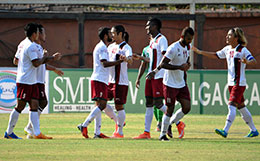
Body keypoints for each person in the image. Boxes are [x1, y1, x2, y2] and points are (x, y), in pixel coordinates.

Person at [192, 27, 259, 138]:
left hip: (239, 83)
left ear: (236, 38)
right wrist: (199, 52)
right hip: (231, 83)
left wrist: (247, 61)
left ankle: (225, 130)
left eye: (229, 35)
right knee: (241, 107)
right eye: (227, 35)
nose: (227, 37)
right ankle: (254, 130)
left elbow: (254, 61)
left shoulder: (243, 50)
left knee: (231, 105)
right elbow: (215, 55)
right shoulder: (227, 49)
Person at [4, 22, 61, 139]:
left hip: (31, 80)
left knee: (34, 105)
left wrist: (45, 59)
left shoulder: (30, 45)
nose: (41, 34)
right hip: (25, 80)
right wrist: (46, 58)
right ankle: (9, 132)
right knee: (20, 106)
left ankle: (36, 133)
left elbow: (18, 61)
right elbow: (35, 63)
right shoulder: (30, 46)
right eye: (39, 32)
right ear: (35, 34)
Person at [146, 26, 194, 141]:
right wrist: (155, 72)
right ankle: (162, 135)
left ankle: (171, 123)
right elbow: (163, 64)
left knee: (187, 107)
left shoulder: (188, 47)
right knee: (169, 109)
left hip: (181, 82)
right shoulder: (173, 48)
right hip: (170, 83)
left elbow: (186, 62)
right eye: (188, 39)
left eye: (191, 39)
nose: (189, 41)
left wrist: (187, 65)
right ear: (182, 37)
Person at [77, 27, 125, 139]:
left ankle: (97, 132)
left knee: (99, 105)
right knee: (102, 105)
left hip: (99, 79)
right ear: (105, 36)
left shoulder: (101, 46)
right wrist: (119, 62)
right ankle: (84, 125)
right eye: (109, 34)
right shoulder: (103, 47)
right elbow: (104, 63)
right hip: (99, 79)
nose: (111, 36)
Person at [133, 18, 172, 139]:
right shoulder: (152, 41)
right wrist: (140, 58)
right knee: (149, 103)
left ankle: (177, 122)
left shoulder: (162, 39)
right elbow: (151, 60)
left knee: (158, 103)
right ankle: (146, 132)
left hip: (158, 76)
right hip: (150, 76)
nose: (146, 28)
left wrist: (156, 71)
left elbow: (166, 57)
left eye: (148, 25)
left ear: (154, 26)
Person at [23, 24, 64, 138]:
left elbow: (42, 64)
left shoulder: (39, 48)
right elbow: (36, 63)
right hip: (34, 80)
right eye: (43, 33)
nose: (45, 35)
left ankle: (31, 128)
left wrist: (54, 68)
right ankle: (31, 129)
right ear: (38, 34)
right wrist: (49, 58)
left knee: (42, 103)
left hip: (40, 79)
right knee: (35, 104)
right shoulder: (32, 47)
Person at [107, 25, 133, 138]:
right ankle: (118, 121)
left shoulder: (126, 47)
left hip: (120, 82)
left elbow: (131, 60)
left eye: (113, 33)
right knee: (101, 103)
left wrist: (126, 59)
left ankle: (120, 132)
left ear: (120, 34)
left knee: (119, 106)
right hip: (109, 81)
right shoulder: (110, 47)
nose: (111, 35)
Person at [133, 45, 164, 132]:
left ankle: (165, 122)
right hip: (150, 77)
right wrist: (138, 78)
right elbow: (143, 65)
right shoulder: (146, 49)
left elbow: (159, 60)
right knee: (151, 102)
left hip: (160, 76)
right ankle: (152, 127)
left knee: (159, 102)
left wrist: (140, 57)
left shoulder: (160, 45)